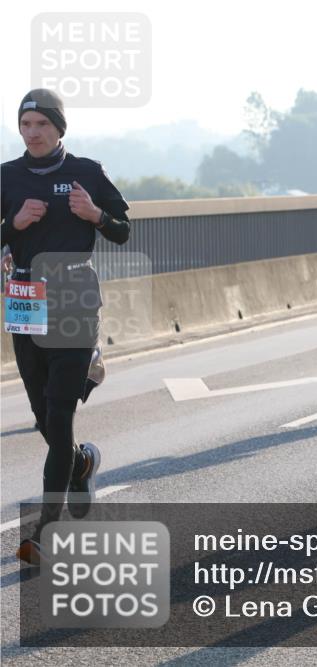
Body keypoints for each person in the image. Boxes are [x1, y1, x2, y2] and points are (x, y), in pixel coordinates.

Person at [2, 89, 131, 565]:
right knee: (42, 415)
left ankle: (43, 532)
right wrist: (13, 224)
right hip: (25, 300)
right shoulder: (7, 177)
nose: (32, 132)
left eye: (41, 124)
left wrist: (94, 214)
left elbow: (122, 229)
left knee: (59, 415)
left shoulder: (87, 172)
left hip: (75, 297)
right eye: (25, 124)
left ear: (59, 128)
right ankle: (79, 463)